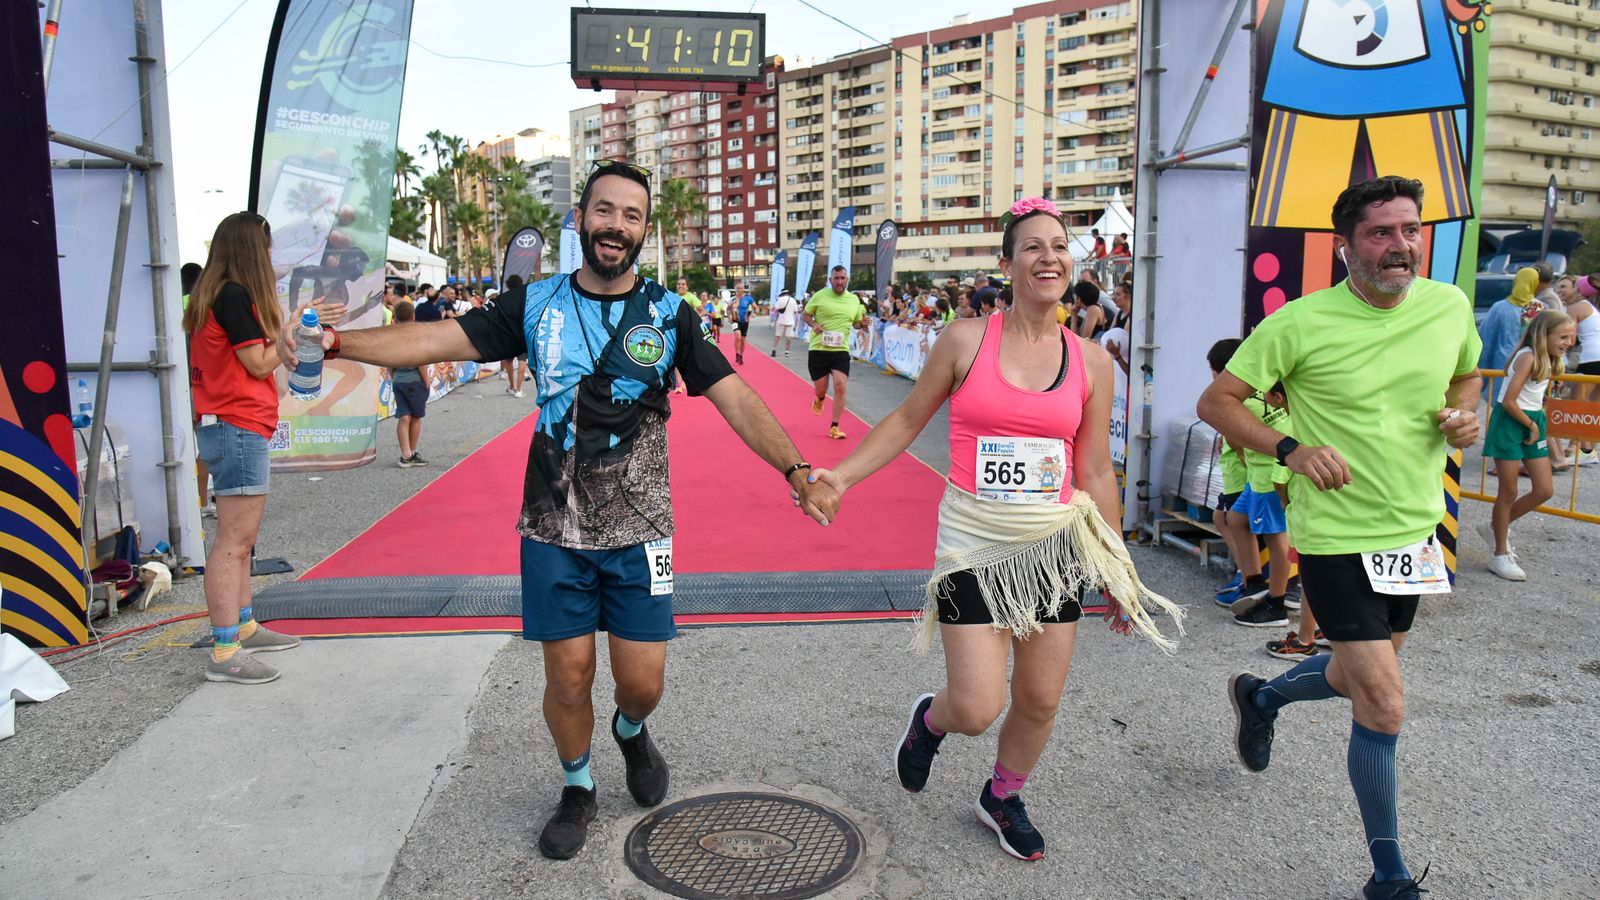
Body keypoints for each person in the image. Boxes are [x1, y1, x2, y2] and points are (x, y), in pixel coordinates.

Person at [276, 160, 838, 861]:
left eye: (632, 216)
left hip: (642, 533)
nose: (617, 226)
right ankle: (577, 784)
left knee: (643, 682)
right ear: (581, 219)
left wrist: (795, 468)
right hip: (553, 527)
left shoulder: (669, 315)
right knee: (567, 675)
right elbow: (434, 339)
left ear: (643, 229)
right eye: (605, 211)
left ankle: (631, 731)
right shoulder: (533, 304)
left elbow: (734, 398)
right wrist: (335, 343)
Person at [808, 196, 1180, 862]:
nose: (1049, 257)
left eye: (1059, 245)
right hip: (974, 543)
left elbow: (1094, 470)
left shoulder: (1091, 361)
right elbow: (903, 421)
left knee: (1038, 699)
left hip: (1053, 547)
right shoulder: (964, 339)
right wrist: (841, 475)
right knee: (977, 706)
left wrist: (1120, 569)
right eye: (1033, 246)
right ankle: (931, 721)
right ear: (1007, 264)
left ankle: (1003, 797)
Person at [1198, 176, 1481, 900]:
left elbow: (1464, 378)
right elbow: (1218, 401)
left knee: (1363, 675)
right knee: (1383, 702)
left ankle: (1263, 700)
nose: (1400, 245)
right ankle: (1389, 874)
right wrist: (1290, 447)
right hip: (1333, 535)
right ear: (1347, 245)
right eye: (1382, 233)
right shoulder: (1300, 323)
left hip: (1413, 531)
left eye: (1410, 229)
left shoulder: (1448, 307)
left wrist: (1463, 417)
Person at [185, 212, 341, 684]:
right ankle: (225, 648)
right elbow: (257, 364)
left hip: (229, 424)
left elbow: (256, 358)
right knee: (233, 544)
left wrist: (285, 331)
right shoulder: (232, 295)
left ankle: (244, 626)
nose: (273, 256)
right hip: (236, 425)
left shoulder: (216, 294)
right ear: (254, 249)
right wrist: (289, 336)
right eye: (268, 248)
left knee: (241, 541)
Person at [1480, 310, 1574, 580]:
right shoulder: (1529, 357)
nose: (1568, 342)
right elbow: (1509, 400)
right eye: (1563, 336)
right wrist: (1531, 425)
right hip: (1512, 421)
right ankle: (1499, 553)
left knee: (1544, 489)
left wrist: (1537, 421)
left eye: (1571, 337)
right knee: (1507, 492)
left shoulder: (1548, 358)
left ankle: (1495, 526)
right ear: (1543, 335)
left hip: (1532, 420)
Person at [1231, 382, 1295, 628]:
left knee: (1277, 539)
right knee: (1236, 519)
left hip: (1269, 477)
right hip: (1257, 476)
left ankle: (1276, 604)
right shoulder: (1254, 392)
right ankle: (1255, 584)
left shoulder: (1241, 400)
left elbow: (1233, 438)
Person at [1207, 340, 1263, 609]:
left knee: (1240, 523)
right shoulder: (1249, 397)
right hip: (1241, 477)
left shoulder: (1240, 402)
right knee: (1224, 517)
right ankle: (1249, 577)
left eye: (1213, 371)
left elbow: (1241, 443)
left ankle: (1250, 579)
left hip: (1244, 478)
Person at [802, 265, 867, 440]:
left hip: (840, 351)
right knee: (820, 388)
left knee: (840, 386)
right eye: (836, 278)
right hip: (818, 349)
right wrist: (814, 324)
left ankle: (834, 426)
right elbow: (805, 315)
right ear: (830, 280)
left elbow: (856, 324)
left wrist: (864, 323)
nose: (839, 281)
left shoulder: (854, 300)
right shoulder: (820, 296)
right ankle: (820, 398)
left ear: (847, 280)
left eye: (842, 278)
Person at [1476, 267, 1541, 407]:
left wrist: (1480, 375)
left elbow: (1485, 342)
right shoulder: (1541, 309)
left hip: (1502, 369)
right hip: (1532, 369)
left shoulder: (1499, 308)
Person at [1559, 275, 1599, 467]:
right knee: (1593, 406)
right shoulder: (1592, 308)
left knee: (1578, 405)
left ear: (1579, 290)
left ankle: (1580, 448)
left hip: (1591, 358)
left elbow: (1569, 338)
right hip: (1597, 357)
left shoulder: (1576, 308)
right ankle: (1588, 449)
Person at [388, 300, 431, 468]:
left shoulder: (391, 336)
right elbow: (421, 360)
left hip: (398, 379)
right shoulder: (415, 335)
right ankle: (412, 452)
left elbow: (388, 361)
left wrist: (394, 375)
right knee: (416, 417)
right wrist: (426, 381)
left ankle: (404, 454)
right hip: (414, 381)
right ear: (413, 316)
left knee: (403, 416)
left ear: (396, 317)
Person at [733, 281, 756, 365]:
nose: (739, 290)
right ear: (736, 289)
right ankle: (737, 353)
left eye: (741, 288)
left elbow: (755, 307)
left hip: (745, 321)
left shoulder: (748, 298)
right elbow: (728, 309)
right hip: (735, 321)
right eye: (738, 288)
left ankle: (741, 355)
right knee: (738, 337)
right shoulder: (733, 299)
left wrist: (754, 313)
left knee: (742, 340)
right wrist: (729, 317)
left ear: (744, 289)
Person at [771, 288, 799, 357]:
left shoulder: (780, 299)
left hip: (781, 320)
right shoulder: (793, 300)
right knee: (788, 337)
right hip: (790, 321)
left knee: (777, 335)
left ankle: (774, 349)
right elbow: (796, 312)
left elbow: (775, 310)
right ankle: (787, 351)